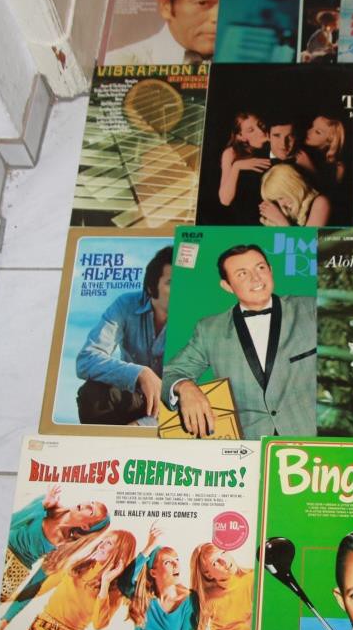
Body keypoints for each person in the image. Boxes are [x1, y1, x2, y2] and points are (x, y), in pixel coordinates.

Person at [161, 244, 316, 438]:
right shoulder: (209, 329)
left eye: (260, 268)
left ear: (270, 270)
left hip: (312, 440)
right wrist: (185, 387)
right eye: (242, 274)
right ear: (227, 286)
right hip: (249, 445)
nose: (256, 278)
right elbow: (168, 374)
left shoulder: (311, 308)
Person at [0, 531, 136, 630]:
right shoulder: (78, 565)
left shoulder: (114, 591)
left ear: (121, 555)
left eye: (109, 543)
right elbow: (39, 590)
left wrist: (105, 583)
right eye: (103, 540)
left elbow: (98, 625)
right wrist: (7, 598)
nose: (101, 545)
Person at [76, 245, 173, 426]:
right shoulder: (126, 305)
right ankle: (103, 443)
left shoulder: (197, 320)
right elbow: (86, 360)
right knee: (92, 392)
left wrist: (142, 426)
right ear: (151, 287)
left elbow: (201, 393)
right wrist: (140, 373)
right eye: (171, 282)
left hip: (172, 412)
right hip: (132, 399)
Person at [106, 525, 196, 630]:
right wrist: (149, 547)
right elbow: (124, 583)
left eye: (177, 560)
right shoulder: (145, 598)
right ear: (153, 572)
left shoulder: (190, 602)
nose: (176, 565)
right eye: (168, 562)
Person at [0, 485, 110, 603]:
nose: (86, 504)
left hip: (13, 572)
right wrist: (43, 505)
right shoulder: (47, 502)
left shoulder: (62, 543)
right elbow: (11, 523)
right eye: (92, 502)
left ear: (85, 526)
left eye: (91, 510)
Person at [218, 111, 271, 222]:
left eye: (260, 125)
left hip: (270, 214)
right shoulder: (231, 153)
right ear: (241, 137)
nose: (261, 131)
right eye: (251, 130)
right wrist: (237, 166)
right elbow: (225, 200)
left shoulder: (273, 144)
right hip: (244, 218)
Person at [258, 164, 330, 226]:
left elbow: (309, 238)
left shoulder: (320, 202)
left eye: (281, 198)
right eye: (276, 201)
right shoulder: (291, 212)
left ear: (291, 187)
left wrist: (280, 220)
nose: (281, 204)